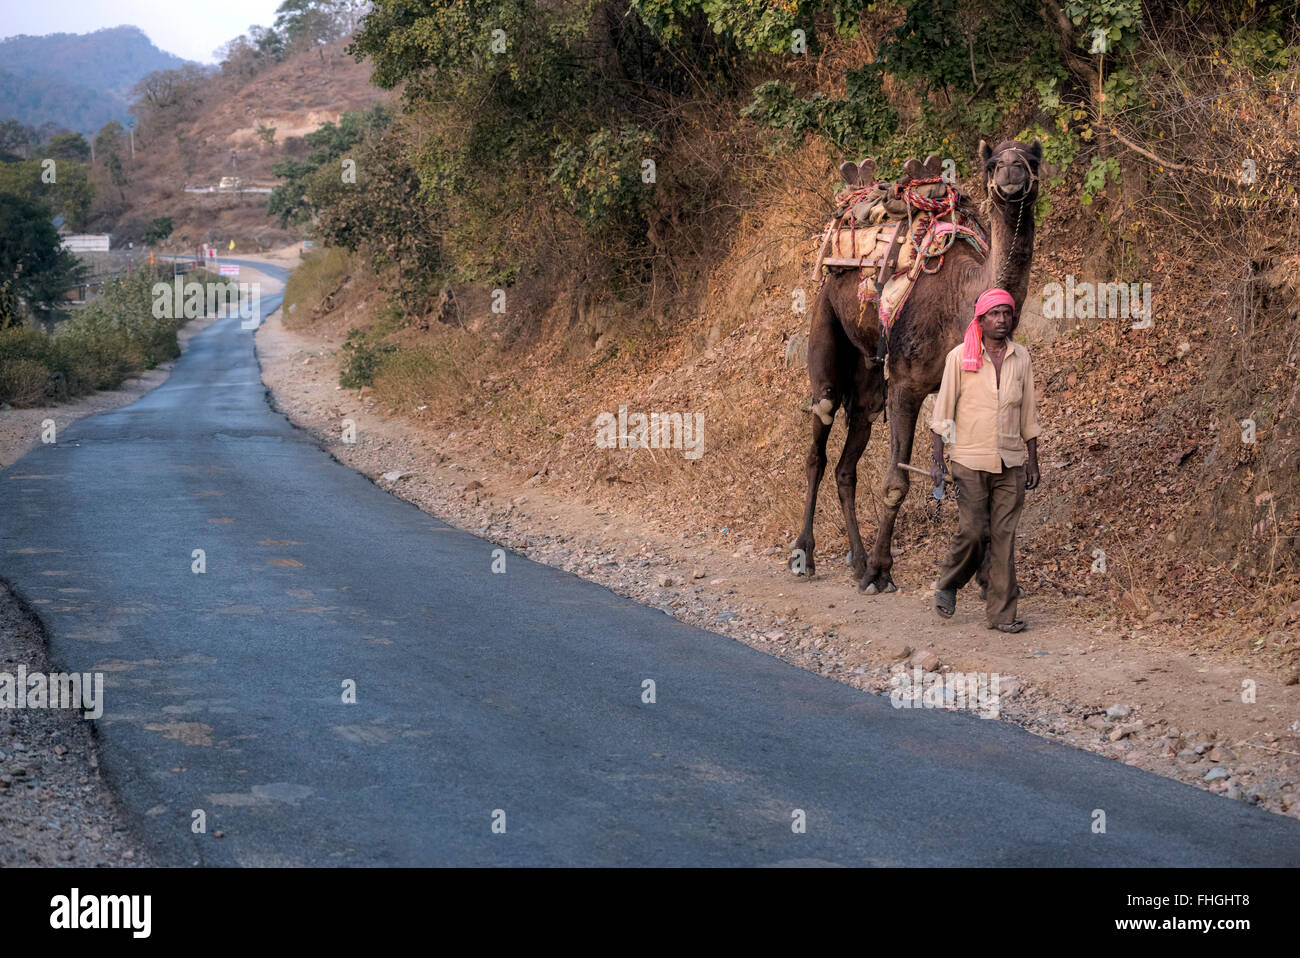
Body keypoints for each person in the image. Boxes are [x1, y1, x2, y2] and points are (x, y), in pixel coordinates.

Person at [929, 287, 1041, 632]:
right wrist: (938, 460)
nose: (1002, 320)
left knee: (1004, 537)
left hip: (1010, 460)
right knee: (975, 531)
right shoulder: (960, 357)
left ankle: (1002, 615)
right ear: (980, 320)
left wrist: (1032, 459)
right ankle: (949, 581)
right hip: (969, 459)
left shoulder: (1020, 358)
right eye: (994, 314)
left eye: (1007, 314)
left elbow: (1028, 413)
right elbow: (943, 413)